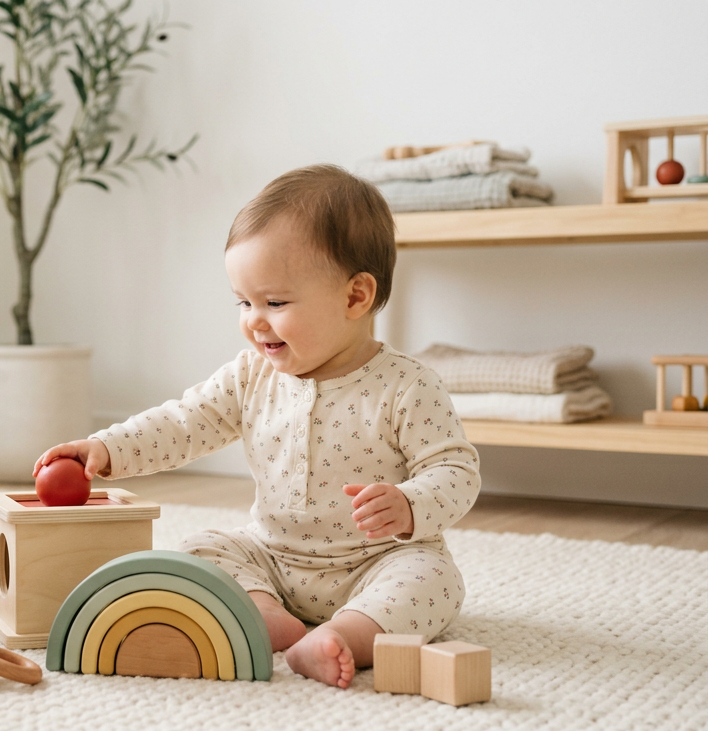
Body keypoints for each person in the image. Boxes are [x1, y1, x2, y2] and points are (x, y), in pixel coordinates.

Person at [34, 165, 480, 688]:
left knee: (434, 582)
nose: (254, 320)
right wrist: (106, 449)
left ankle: (344, 635)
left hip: (377, 562)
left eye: (275, 302)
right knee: (199, 548)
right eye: (243, 302)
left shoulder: (406, 385)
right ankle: (263, 615)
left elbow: (455, 470)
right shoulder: (251, 375)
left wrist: (409, 504)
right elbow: (184, 423)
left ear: (355, 297)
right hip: (273, 557)